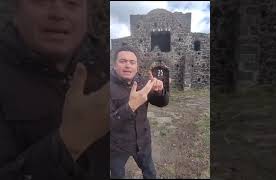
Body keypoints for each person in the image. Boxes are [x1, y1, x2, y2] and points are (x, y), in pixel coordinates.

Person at [0, 0, 108, 179]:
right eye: (41, 1)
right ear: (15, 10)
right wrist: (69, 143)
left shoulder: (106, 65)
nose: (58, 13)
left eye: (72, 3)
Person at [110, 46, 169, 179]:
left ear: (137, 66)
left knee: (150, 173)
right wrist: (131, 106)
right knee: (117, 175)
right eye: (123, 61)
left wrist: (160, 91)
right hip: (116, 145)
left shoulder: (143, 82)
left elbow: (162, 103)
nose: (128, 65)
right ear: (114, 65)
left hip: (143, 141)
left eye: (132, 62)